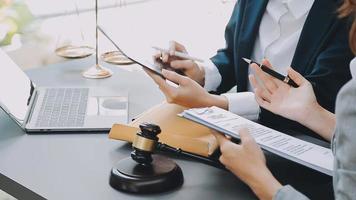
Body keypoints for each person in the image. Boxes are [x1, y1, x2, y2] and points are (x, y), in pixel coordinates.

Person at [146, 0, 354, 139]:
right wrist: (200, 72)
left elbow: (321, 96)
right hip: (237, 135)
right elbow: (234, 54)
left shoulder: (347, 11)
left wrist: (219, 103)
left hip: (302, 145)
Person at [212, 0, 356, 199]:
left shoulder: (344, 13)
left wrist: (259, 178)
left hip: (301, 170)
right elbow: (232, 52)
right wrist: (313, 113)